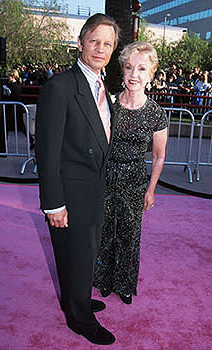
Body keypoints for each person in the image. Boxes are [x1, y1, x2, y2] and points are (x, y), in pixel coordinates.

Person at [35, 13, 120, 345]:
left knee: (84, 255)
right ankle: (80, 318)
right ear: (81, 41)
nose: (100, 48)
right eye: (95, 41)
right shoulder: (60, 87)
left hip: (94, 190)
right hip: (69, 195)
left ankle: (77, 298)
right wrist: (53, 204)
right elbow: (48, 151)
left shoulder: (100, 85)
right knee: (76, 255)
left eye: (108, 44)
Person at [93, 41, 168, 305]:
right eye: (129, 67)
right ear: (122, 71)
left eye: (142, 69)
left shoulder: (156, 114)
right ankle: (102, 279)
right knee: (103, 231)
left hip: (135, 179)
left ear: (151, 75)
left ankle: (124, 284)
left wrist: (151, 190)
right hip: (105, 175)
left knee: (129, 233)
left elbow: (159, 156)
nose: (134, 74)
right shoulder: (107, 104)